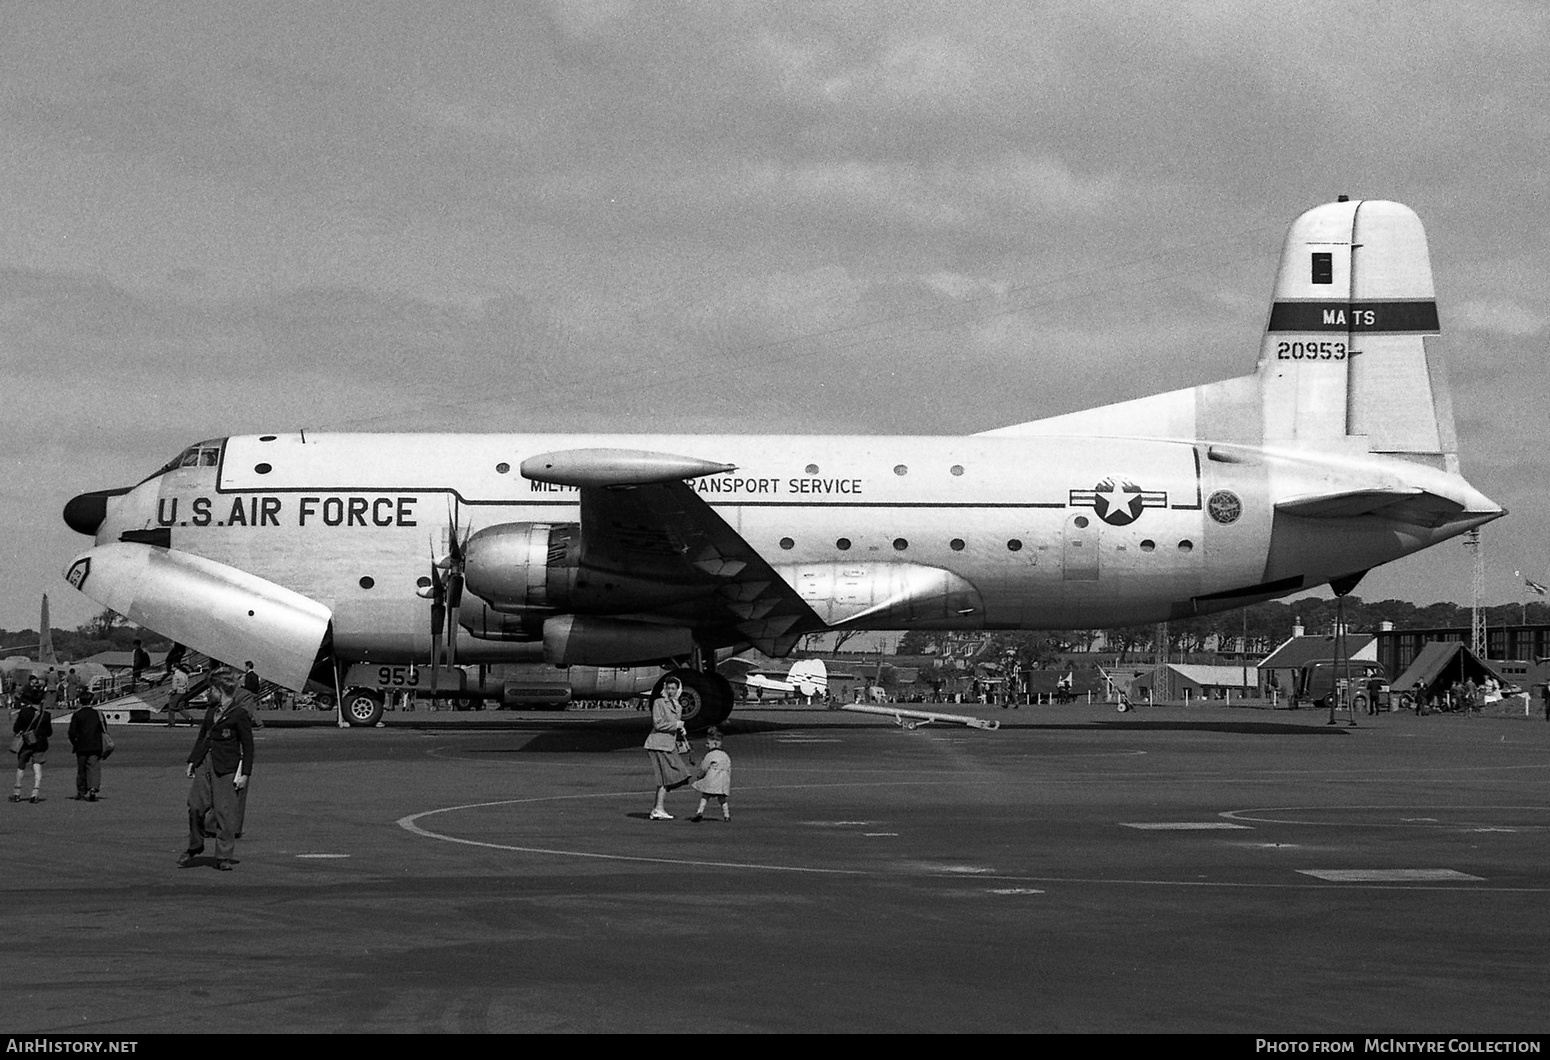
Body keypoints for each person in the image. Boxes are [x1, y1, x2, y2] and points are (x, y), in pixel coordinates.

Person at [177, 670, 255, 871]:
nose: (209, 692)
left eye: (212, 688)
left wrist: (245, 773)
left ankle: (224, 856)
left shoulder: (239, 714)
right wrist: (192, 761)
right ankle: (195, 845)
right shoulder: (211, 711)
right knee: (195, 804)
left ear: (220, 690)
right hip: (205, 762)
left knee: (224, 811)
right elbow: (203, 736)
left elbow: (248, 746)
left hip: (227, 766)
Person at [643, 677, 693, 820]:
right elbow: (657, 724)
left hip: (668, 744)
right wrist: (676, 726)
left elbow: (675, 724)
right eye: (668, 688)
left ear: (678, 690)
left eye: (673, 689)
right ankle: (658, 808)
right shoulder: (659, 702)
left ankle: (658, 808)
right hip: (658, 743)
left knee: (673, 775)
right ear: (664, 689)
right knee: (667, 777)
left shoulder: (678, 706)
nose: (670, 691)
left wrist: (681, 730)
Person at [11, 677, 52, 803]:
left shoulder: (24, 712)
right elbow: (49, 732)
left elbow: (16, 728)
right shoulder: (46, 715)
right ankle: (35, 792)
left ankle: (17, 792)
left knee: (21, 767)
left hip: (25, 742)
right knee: (37, 768)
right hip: (39, 744)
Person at [67, 699, 106, 801]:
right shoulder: (98, 714)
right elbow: (104, 728)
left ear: (80, 702)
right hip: (95, 745)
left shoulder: (77, 714)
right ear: (92, 702)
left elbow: (72, 732)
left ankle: (81, 791)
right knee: (93, 768)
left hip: (81, 745)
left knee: (81, 769)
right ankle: (93, 788)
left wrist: (74, 742)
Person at [690, 728, 732, 823]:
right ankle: (727, 815)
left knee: (705, 796)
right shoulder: (725, 755)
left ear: (715, 744)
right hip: (723, 781)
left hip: (712, 779)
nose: (706, 745)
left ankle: (699, 812)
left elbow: (704, 767)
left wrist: (699, 776)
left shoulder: (710, 755)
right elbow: (728, 768)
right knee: (722, 799)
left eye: (708, 743)